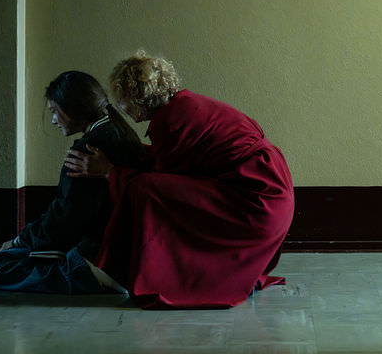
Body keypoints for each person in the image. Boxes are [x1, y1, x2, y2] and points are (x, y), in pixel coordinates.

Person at [68, 51, 295, 309]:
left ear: (137, 99)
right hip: (271, 194)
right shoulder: (184, 104)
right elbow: (171, 158)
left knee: (144, 189)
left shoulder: (170, 120)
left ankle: (130, 273)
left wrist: (110, 172)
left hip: (256, 204)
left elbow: (162, 178)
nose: (121, 107)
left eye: (122, 100)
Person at [0, 71, 143, 294]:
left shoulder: (87, 151)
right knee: (12, 253)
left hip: (97, 262)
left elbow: (65, 219)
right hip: (122, 256)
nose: (53, 120)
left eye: (54, 111)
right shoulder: (119, 132)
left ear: (72, 108)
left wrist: (18, 241)